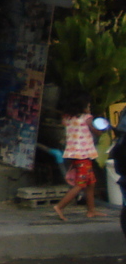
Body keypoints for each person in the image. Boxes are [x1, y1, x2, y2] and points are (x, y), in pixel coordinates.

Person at [54, 92, 101, 222]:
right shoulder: (87, 118)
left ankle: (91, 210)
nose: (90, 106)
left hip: (74, 154)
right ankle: (59, 206)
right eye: (88, 104)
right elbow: (97, 131)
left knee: (91, 182)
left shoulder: (67, 118)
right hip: (84, 155)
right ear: (83, 106)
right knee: (81, 184)